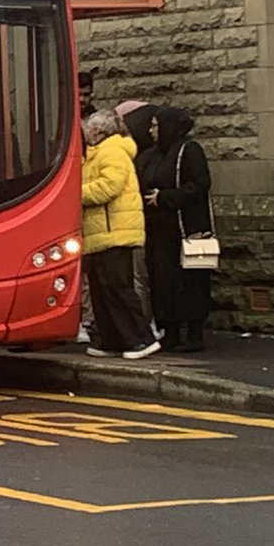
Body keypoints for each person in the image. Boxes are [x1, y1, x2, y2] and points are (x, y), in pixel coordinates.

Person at [80, 109, 159, 359]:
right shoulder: (100, 153)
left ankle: (140, 339)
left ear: (99, 131)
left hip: (115, 231)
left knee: (118, 289)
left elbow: (108, 187)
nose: (86, 134)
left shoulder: (112, 151)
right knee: (103, 291)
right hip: (102, 232)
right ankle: (113, 339)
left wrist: (75, 193)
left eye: (89, 129)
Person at [136, 107, 214, 352]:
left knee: (190, 281)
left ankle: (194, 334)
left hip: (186, 229)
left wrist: (166, 197)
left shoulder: (189, 151)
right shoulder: (153, 155)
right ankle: (170, 331)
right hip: (160, 231)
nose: (152, 131)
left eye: (156, 125)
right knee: (163, 282)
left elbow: (200, 185)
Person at [115, 99, 160, 333]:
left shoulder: (133, 157)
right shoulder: (140, 155)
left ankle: (143, 325)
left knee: (137, 278)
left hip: (131, 227)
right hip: (138, 225)